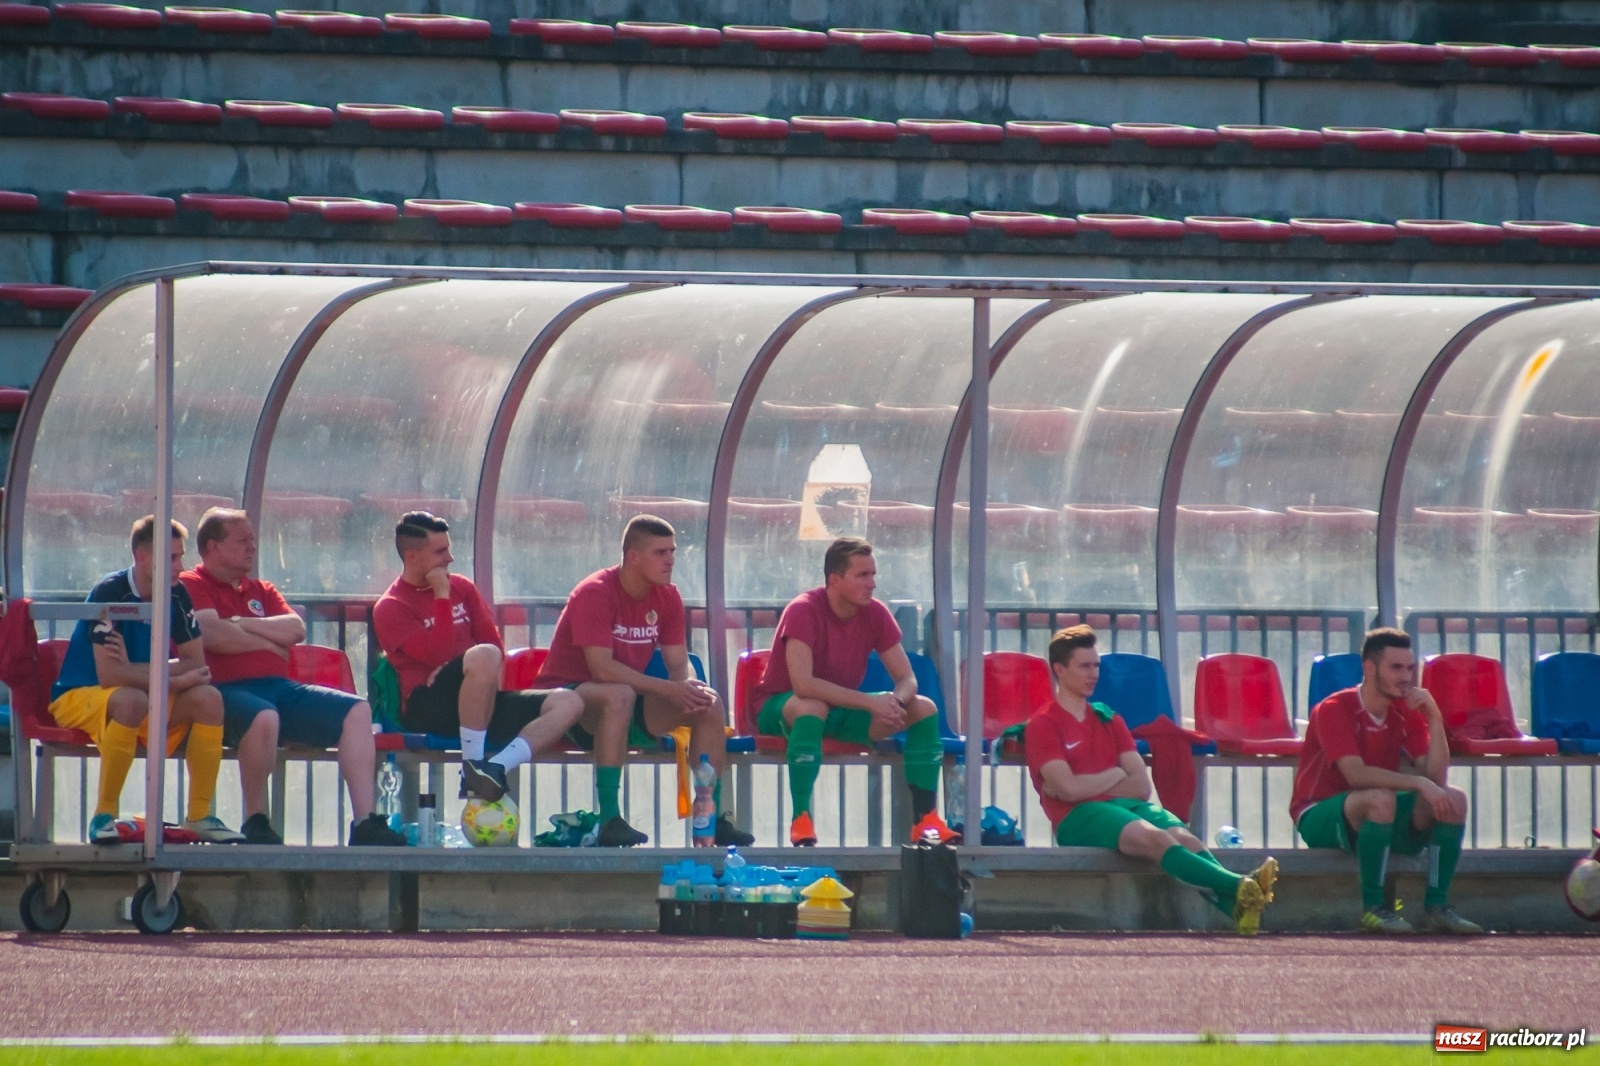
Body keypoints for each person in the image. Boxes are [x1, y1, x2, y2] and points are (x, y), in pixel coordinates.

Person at [1024, 625, 1278, 935]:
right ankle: (1240, 884)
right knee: (1157, 839)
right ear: (1059, 670)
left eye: (1096, 666)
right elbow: (1066, 790)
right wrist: (1113, 775)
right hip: (1077, 818)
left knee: (1184, 837)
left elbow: (1141, 787)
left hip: (1123, 806)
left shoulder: (1109, 718)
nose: (1094, 674)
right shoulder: (1043, 724)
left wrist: (1087, 784)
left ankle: (1236, 906)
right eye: (1084, 666)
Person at [181, 508, 404, 846]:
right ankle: (256, 819)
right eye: (242, 540)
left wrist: (239, 623)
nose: (252, 547)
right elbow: (211, 634)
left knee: (356, 711)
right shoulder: (191, 583)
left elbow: (295, 629)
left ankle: (365, 823)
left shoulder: (263, 590)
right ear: (213, 547)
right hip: (220, 692)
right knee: (264, 716)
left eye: (253, 540)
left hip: (279, 688)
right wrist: (267, 642)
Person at [537, 515, 753, 848]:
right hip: (570, 703)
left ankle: (711, 817)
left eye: (672, 551)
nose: (670, 560)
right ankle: (610, 817)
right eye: (660, 552)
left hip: (628, 698)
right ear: (633, 556)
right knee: (618, 694)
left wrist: (688, 689)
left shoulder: (667, 596)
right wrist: (669, 688)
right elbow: (601, 669)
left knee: (708, 703)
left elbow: (679, 663)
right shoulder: (595, 592)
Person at [48, 516, 244, 844]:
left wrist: (144, 672)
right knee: (132, 699)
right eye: (170, 558)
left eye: (180, 556)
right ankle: (103, 816)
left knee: (209, 698)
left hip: (140, 695)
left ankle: (199, 816)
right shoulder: (110, 592)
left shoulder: (177, 594)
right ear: (142, 557)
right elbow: (111, 677)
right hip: (80, 694)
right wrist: (172, 679)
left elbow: (197, 663)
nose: (180, 566)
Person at [753, 536, 957, 848]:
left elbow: (907, 679)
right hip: (783, 708)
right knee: (812, 706)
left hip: (840, 710)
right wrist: (869, 702)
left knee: (924, 707)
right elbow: (803, 685)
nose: (872, 583)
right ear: (834, 580)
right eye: (863, 575)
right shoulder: (803, 610)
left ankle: (925, 819)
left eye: (873, 574)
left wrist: (895, 702)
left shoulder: (875, 612)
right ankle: (801, 818)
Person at [372, 511, 583, 809]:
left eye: (449, 548)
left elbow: (494, 646)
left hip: (480, 702)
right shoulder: (391, 607)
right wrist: (442, 597)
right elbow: (438, 653)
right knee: (483, 656)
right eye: (440, 551)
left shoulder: (464, 588)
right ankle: (472, 767)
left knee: (569, 702)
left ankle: (494, 769)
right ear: (413, 556)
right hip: (428, 706)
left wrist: (461, 664)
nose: (450, 558)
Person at [1291, 627, 1480, 934]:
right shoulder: (1333, 709)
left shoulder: (1405, 711)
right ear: (1369, 668)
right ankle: (1374, 908)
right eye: (1396, 668)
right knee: (1381, 798)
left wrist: (1434, 717)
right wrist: (1419, 784)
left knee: (1454, 799)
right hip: (1318, 814)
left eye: (1409, 668)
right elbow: (1356, 774)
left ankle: (1437, 907)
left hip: (1378, 811)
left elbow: (1436, 778)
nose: (1406, 677)